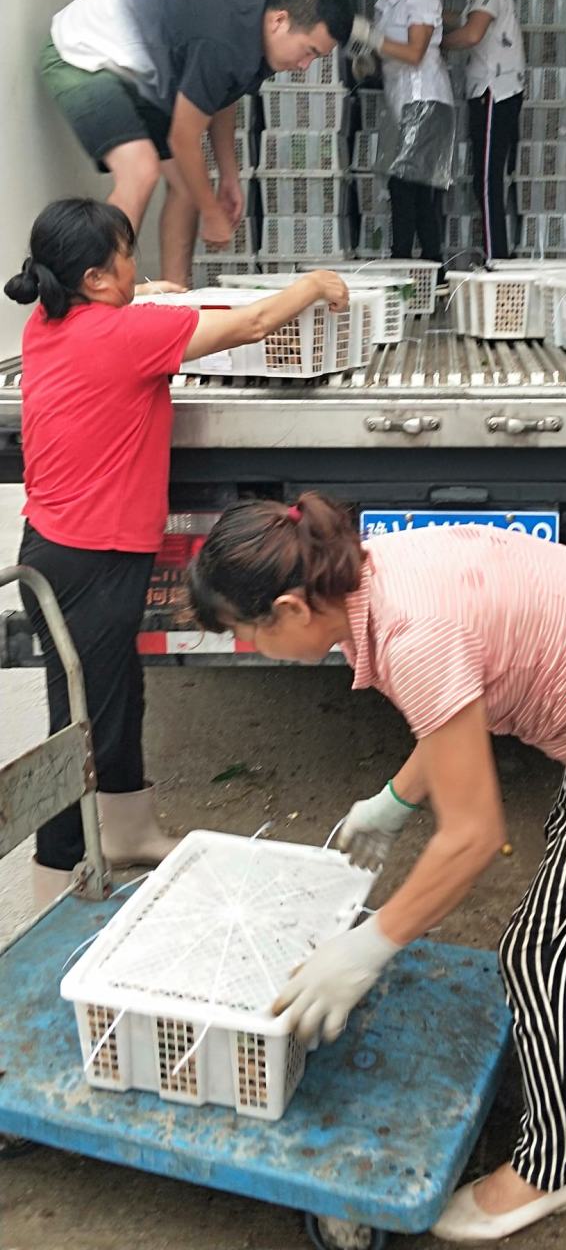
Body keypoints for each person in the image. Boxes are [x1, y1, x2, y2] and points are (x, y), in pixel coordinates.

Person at [187, 496, 566, 1242]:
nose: (250, 646)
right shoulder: (376, 578)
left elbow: (474, 838)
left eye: (247, 632)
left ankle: (549, 1169)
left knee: (539, 954)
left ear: (289, 608)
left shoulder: (413, 631)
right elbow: (453, 711)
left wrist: (368, 944)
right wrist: (391, 802)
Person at [4, 198, 348, 907]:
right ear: (97, 279)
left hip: (66, 551)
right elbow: (251, 324)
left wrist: (149, 293)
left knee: (115, 693)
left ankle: (127, 828)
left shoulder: (49, 321)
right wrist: (315, 284)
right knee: (79, 724)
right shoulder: (128, 337)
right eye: (129, 258)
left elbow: (131, 312)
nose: (140, 268)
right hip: (88, 559)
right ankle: (53, 885)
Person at [40, 0, 354, 284]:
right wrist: (212, 212)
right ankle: (93, 301)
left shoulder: (256, 27)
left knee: (189, 186)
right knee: (140, 170)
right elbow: (182, 139)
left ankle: (177, 299)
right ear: (280, 21)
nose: (304, 66)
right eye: (309, 51)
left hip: (138, 71)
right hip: (82, 52)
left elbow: (221, 95)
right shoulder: (223, 38)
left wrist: (229, 176)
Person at [351, 0, 454, 263]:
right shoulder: (386, 5)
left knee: (408, 191)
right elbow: (390, 57)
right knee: (413, 193)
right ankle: (424, 272)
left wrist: (373, 39)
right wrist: (368, 62)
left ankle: (409, 268)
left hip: (425, 101)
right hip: (403, 104)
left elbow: (414, 54)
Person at [442, 0, 525, 262]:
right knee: (485, 178)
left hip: (495, 91)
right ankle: (496, 255)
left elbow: (471, 34)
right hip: (493, 92)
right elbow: (460, 19)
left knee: (487, 181)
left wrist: (435, 45)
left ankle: (496, 260)